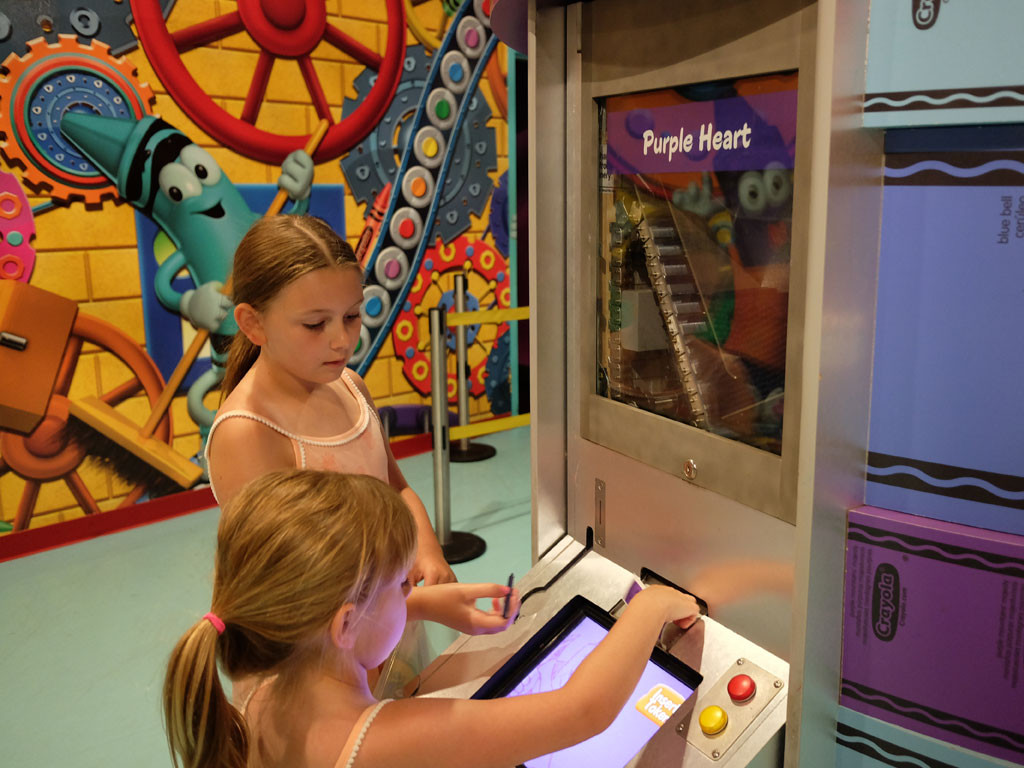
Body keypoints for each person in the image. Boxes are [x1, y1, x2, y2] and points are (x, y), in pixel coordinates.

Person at [163, 469, 701, 768]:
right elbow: (582, 711)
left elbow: (343, 630)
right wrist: (651, 604)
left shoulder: (258, 689)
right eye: (403, 585)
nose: (411, 593)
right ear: (344, 625)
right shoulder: (384, 739)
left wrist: (418, 604)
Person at [205, 214, 454, 585]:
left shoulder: (353, 387)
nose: (342, 340)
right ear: (253, 323)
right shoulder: (246, 433)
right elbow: (291, 584)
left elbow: (397, 489)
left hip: (389, 603)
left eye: (352, 315)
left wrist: (429, 552)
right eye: (315, 324)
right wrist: (415, 606)